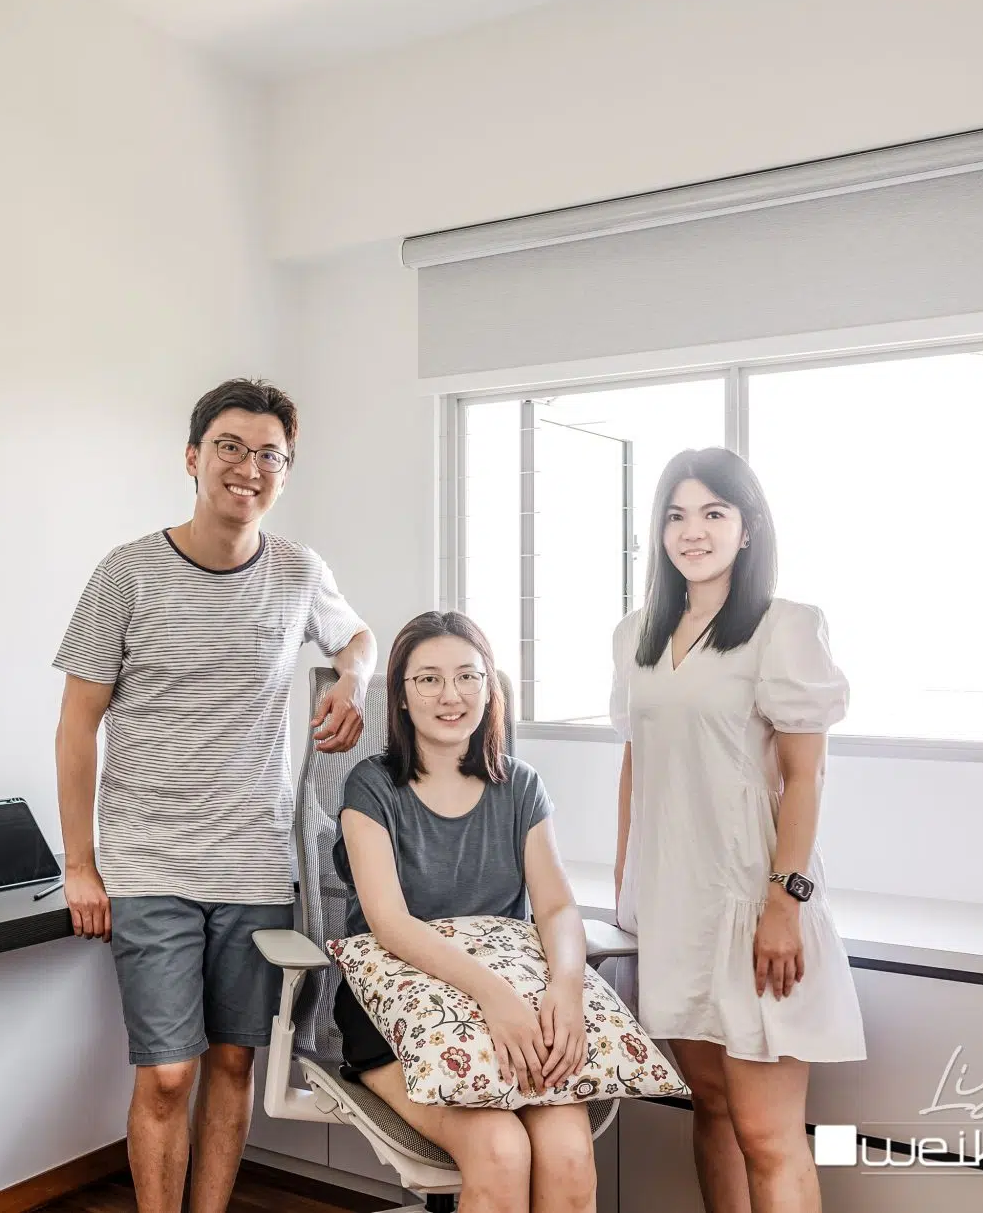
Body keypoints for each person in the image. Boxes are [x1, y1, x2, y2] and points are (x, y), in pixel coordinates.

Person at [53, 378, 376, 1213]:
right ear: (193, 457)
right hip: (148, 860)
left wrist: (353, 677)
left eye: (270, 455)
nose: (249, 467)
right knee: (167, 1072)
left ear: (285, 473)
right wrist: (81, 865)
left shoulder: (300, 571)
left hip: (256, 865)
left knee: (234, 1061)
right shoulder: (126, 573)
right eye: (231, 447)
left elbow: (358, 635)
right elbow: (77, 727)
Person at [610, 448, 864, 1213]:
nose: (693, 531)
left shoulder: (784, 628)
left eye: (713, 513)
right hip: (674, 908)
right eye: (676, 516)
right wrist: (627, 885)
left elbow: (807, 777)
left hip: (754, 906)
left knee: (767, 1134)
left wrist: (784, 903)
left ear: (747, 528)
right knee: (712, 1108)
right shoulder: (636, 635)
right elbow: (637, 762)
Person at [335, 611, 596, 1213]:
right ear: (401, 696)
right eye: (428, 679)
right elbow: (389, 922)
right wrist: (493, 997)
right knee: (501, 1152)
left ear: (489, 687)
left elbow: (557, 906)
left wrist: (566, 987)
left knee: (568, 1155)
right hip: (398, 1012)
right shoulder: (370, 787)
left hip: (512, 1009)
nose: (450, 695)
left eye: (467, 676)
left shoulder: (521, 786)